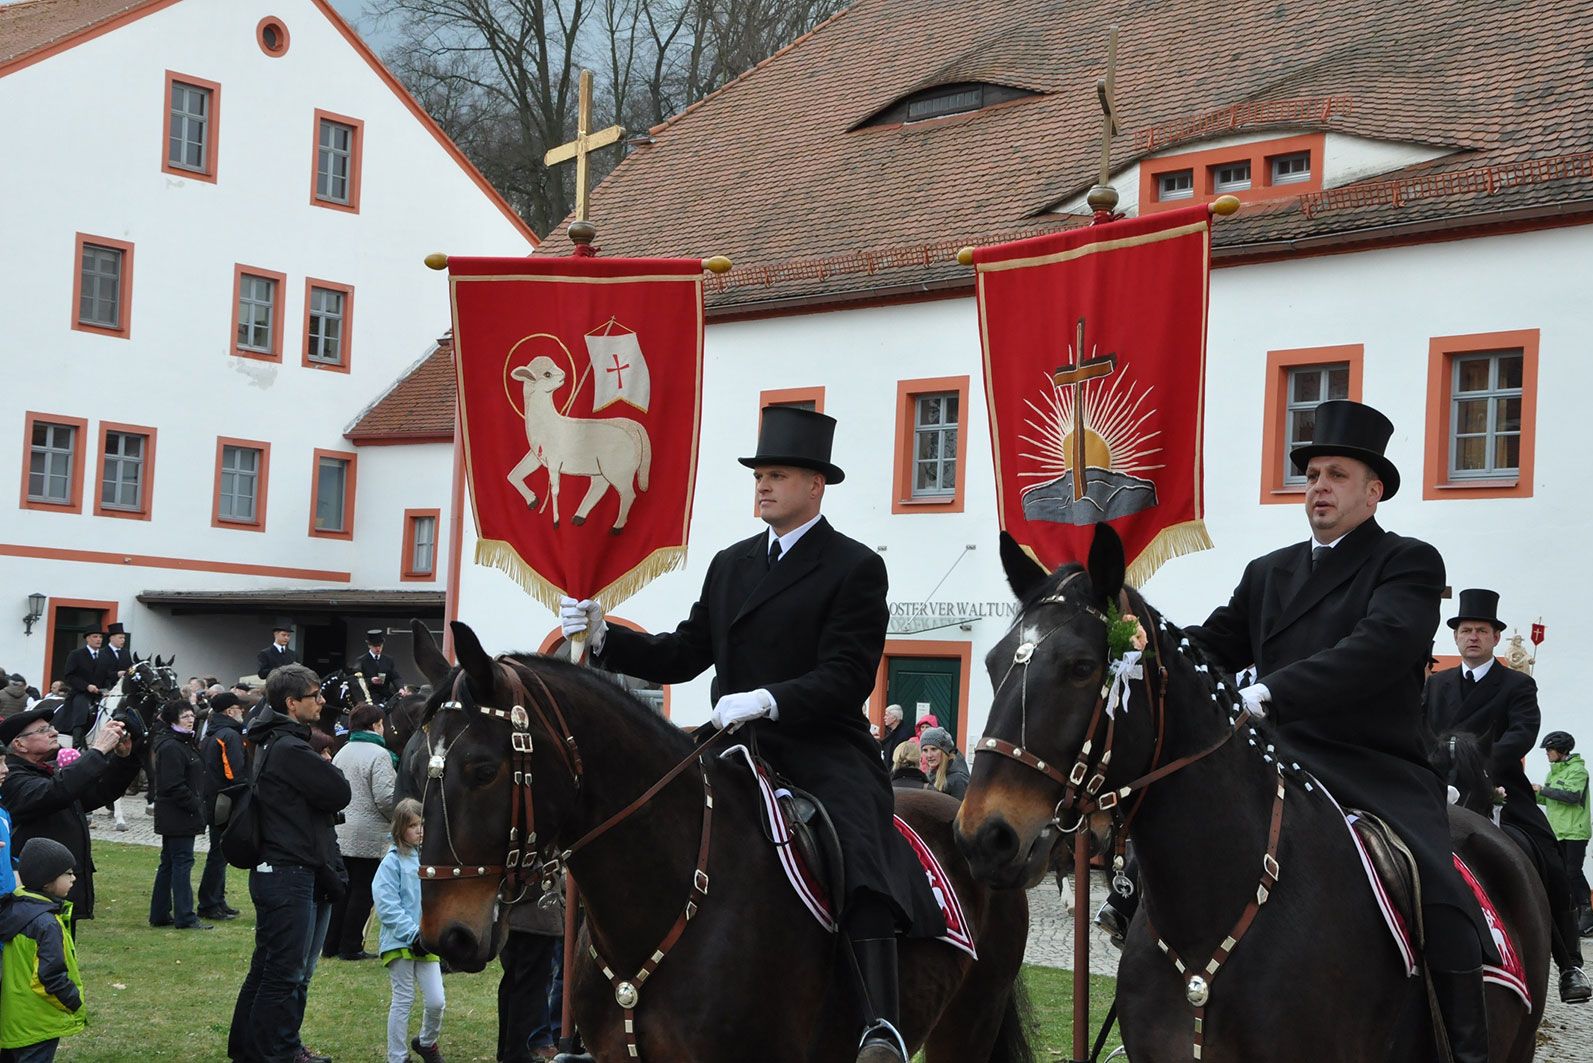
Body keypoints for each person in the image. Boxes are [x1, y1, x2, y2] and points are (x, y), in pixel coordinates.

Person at [561, 406, 943, 1063]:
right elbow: (683, 652)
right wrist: (604, 637)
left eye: (777, 474)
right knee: (621, 833)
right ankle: (578, 1021)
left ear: (814, 485)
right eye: (758, 475)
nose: (762, 486)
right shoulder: (731, 563)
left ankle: (881, 1024)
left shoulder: (853, 566)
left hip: (819, 745)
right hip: (730, 744)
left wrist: (770, 699)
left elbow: (847, 674)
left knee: (859, 844)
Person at [1165, 400, 1498, 1062]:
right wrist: (1143, 649)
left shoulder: (1406, 562)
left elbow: (1380, 644)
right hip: (1271, 759)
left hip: (1372, 765)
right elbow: (1211, 645)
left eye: (1336, 474)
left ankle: (1464, 1048)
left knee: (1441, 891)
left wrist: (1270, 691)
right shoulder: (1268, 571)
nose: (1317, 485)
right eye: (1311, 473)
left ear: (1372, 492)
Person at [1424, 589, 1590, 1002]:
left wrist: (1481, 763)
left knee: (1549, 856)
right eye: (1466, 630)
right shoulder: (1437, 683)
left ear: (1496, 638)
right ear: (1457, 638)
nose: (1473, 637)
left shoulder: (1516, 684)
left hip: (1497, 782)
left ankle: (1569, 963)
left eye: (1481, 630)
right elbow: (1418, 727)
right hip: (1435, 780)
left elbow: (1522, 732)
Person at [228, 664, 352, 1063]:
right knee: (282, 972)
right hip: (288, 870)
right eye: (315, 695)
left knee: (270, 967)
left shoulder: (271, 740)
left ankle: (252, 1047)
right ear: (291, 703)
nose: (322, 701)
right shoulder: (289, 747)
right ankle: (275, 1051)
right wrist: (327, 771)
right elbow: (339, 791)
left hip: (286, 868)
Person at [0, 705, 139, 935]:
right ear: (19, 744)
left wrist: (123, 759)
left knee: (62, 959)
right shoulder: (12, 778)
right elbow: (58, 791)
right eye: (43, 729)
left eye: (52, 727)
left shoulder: (46, 771)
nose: (53, 732)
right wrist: (97, 750)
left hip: (57, 886)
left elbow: (99, 793)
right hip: (36, 892)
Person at [0, 839, 87, 1061]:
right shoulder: (46, 923)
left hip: (14, 1021)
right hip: (38, 1023)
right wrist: (74, 1003)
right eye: (67, 873)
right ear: (47, 881)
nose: (73, 878)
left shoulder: (15, 910)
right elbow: (49, 976)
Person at [374, 798, 445, 1063]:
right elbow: (387, 905)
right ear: (401, 828)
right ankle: (397, 1056)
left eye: (422, 825)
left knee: (437, 1000)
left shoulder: (431, 860)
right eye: (413, 825)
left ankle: (427, 1042)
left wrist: (429, 933)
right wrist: (412, 933)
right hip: (399, 941)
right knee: (403, 1000)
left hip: (427, 941)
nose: (419, 830)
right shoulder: (391, 863)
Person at [327, 702, 397, 961]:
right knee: (363, 891)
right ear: (376, 725)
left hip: (342, 830)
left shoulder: (343, 750)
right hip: (369, 833)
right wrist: (399, 819)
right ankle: (351, 945)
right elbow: (386, 797)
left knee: (342, 890)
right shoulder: (380, 755)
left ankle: (331, 942)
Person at [149, 700, 212, 931]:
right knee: (181, 862)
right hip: (178, 814)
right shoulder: (172, 746)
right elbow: (173, 784)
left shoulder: (183, 742)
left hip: (179, 813)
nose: (190, 719)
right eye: (185, 716)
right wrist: (195, 804)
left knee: (169, 862)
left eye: (191, 715)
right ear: (173, 719)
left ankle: (160, 913)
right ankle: (185, 915)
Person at [198, 691, 246, 921]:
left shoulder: (212, 734)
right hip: (224, 802)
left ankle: (217, 899)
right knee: (218, 854)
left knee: (219, 853)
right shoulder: (229, 735)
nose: (243, 711)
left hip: (214, 799)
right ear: (229, 711)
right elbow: (234, 773)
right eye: (239, 708)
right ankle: (209, 903)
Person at [1539, 732, 1592, 936]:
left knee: (1573, 872)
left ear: (1561, 751)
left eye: (1549, 750)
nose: (1547, 754)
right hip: (1558, 830)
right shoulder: (1553, 773)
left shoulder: (1578, 770)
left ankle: (1587, 912)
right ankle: (1572, 913)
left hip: (1575, 831)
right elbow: (1548, 799)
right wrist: (1529, 792)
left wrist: (1542, 790)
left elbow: (1571, 796)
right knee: (1561, 873)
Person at [57, 630, 105, 748]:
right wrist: (86, 686)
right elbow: (69, 675)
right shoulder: (76, 654)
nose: (99, 639)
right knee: (81, 710)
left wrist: (107, 689)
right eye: (95, 636)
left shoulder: (105, 656)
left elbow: (107, 675)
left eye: (100, 637)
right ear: (87, 639)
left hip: (100, 693)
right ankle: (77, 743)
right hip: (80, 692)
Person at [353, 630, 403, 707]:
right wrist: (370, 681)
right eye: (375, 646)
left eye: (380, 646)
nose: (378, 648)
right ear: (369, 646)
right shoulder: (361, 660)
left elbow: (395, 677)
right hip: (369, 696)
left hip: (386, 695)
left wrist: (400, 688)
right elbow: (356, 681)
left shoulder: (388, 659)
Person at [916, 727, 969, 799]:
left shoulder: (959, 779)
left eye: (934, 749)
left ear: (945, 751)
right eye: (925, 750)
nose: (929, 755)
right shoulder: (930, 774)